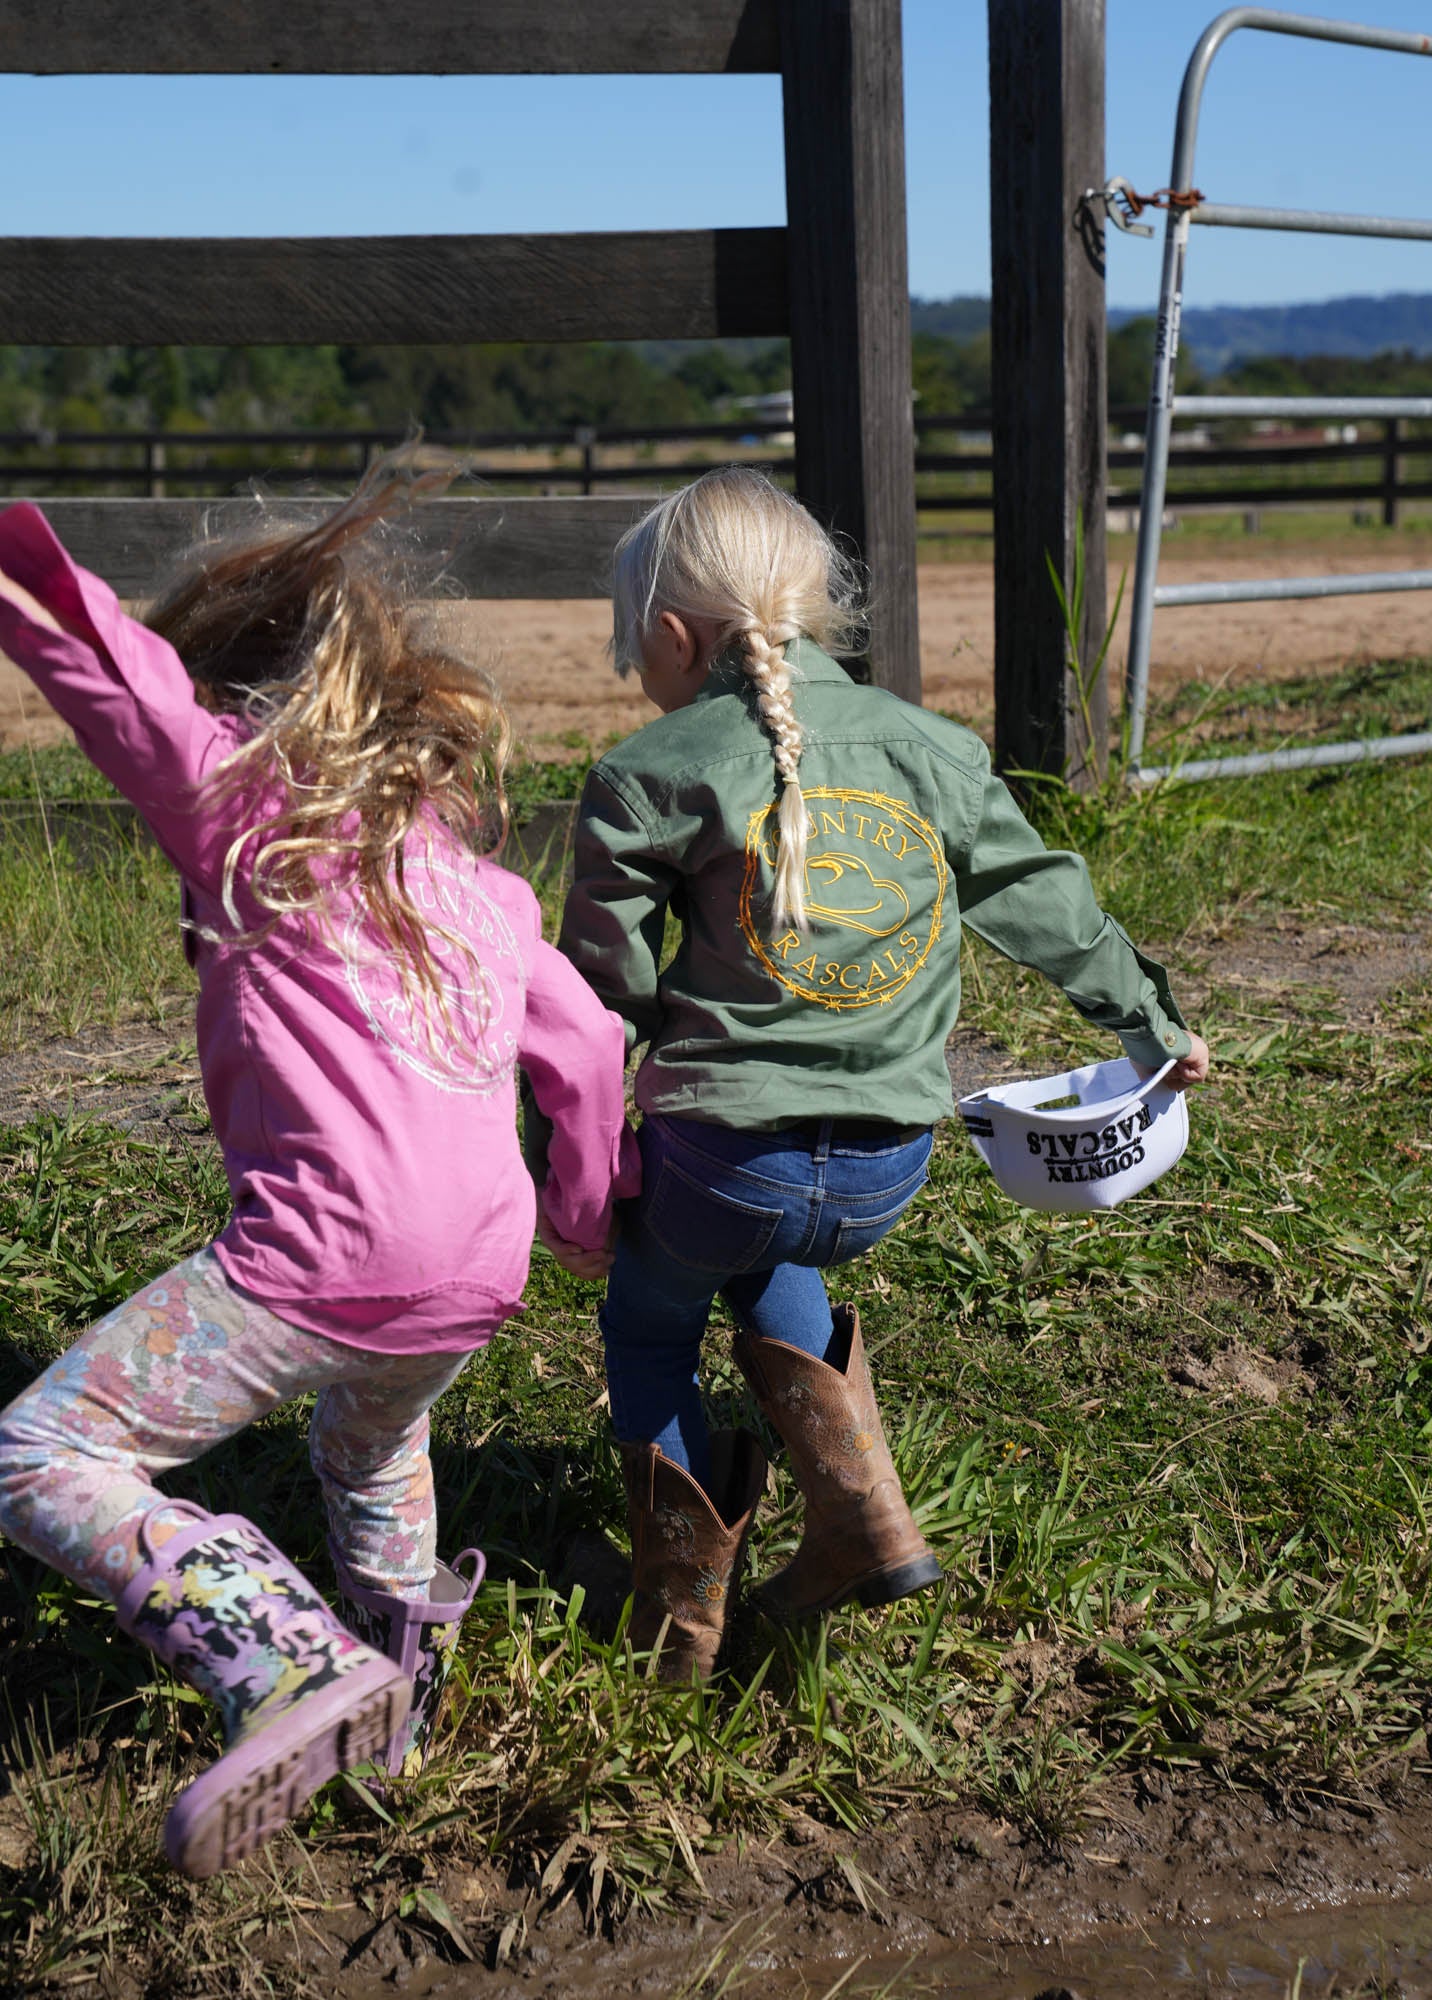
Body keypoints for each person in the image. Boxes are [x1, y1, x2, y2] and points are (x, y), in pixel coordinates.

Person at [0, 463, 637, 1877]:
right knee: (369, 1444)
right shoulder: (483, 888)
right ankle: (402, 1698)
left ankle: (290, 1663)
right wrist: (589, 1218)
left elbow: (119, 690)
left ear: (237, 714)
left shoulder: (248, 826)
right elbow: (588, 1050)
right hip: (480, 1268)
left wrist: (29, 586)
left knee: (42, 1453)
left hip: (321, 1262)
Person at [552, 466, 1209, 1681]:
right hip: (884, 1169)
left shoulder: (648, 773)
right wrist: (1149, 1024)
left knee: (649, 1323)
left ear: (672, 633)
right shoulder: (936, 749)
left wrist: (586, 1116)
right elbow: (1043, 900)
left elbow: (598, 990)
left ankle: (676, 1617)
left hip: (716, 1161)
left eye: (626, 642)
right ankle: (864, 1517)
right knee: (770, 1254)